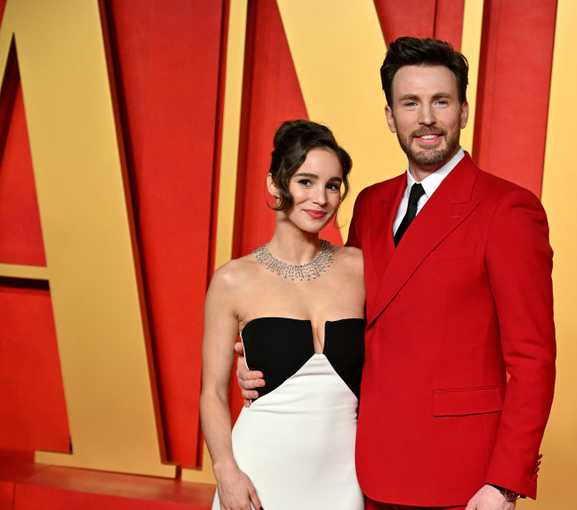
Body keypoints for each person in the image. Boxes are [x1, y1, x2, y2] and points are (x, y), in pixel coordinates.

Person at [237, 37, 556, 510]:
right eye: (410, 102)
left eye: (440, 101)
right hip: (362, 462)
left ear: (464, 111)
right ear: (390, 116)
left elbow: (533, 360)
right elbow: (344, 315)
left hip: (462, 477)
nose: (426, 117)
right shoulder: (370, 202)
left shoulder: (508, 210)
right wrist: (270, 355)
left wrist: (504, 481)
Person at [201, 120, 365, 510]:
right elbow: (212, 392)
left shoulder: (360, 269)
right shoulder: (233, 280)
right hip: (259, 473)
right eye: (305, 182)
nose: (321, 198)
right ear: (275, 185)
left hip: (343, 477)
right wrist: (227, 472)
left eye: (332, 185)